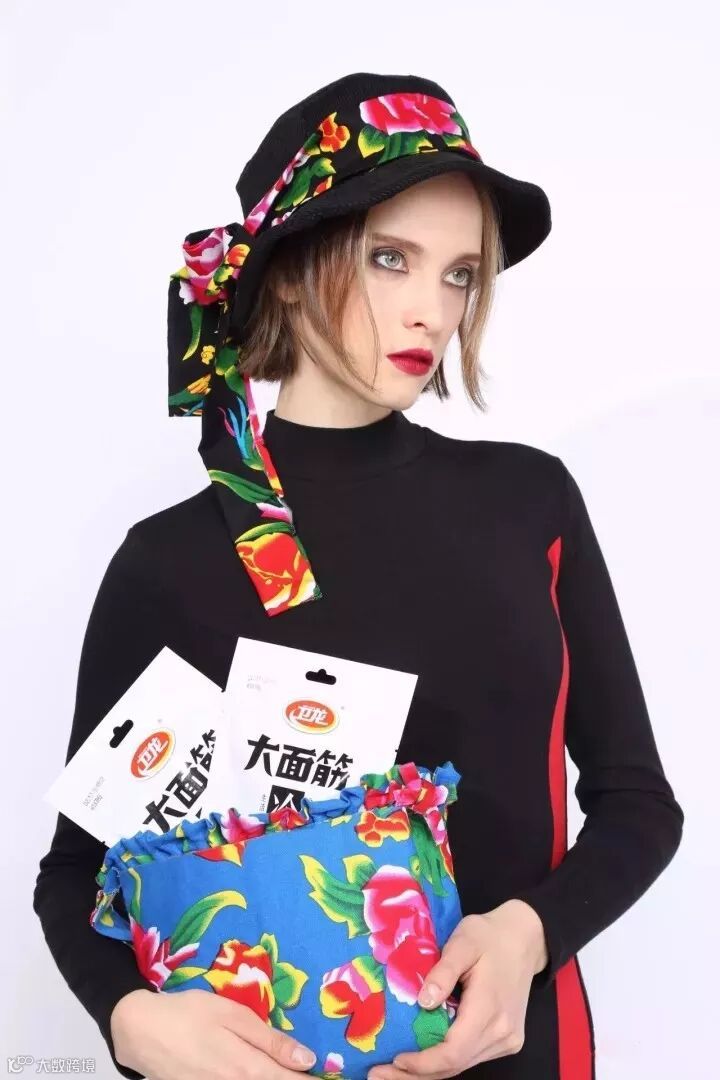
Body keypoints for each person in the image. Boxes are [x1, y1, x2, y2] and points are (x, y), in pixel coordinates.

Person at [33, 71, 684, 1080]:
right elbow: (79, 871)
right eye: (390, 259)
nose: (431, 310)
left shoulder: (530, 504)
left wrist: (530, 932)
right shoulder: (168, 563)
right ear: (290, 270)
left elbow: (638, 802)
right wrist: (130, 1020)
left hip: (522, 1057)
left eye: (459, 273)